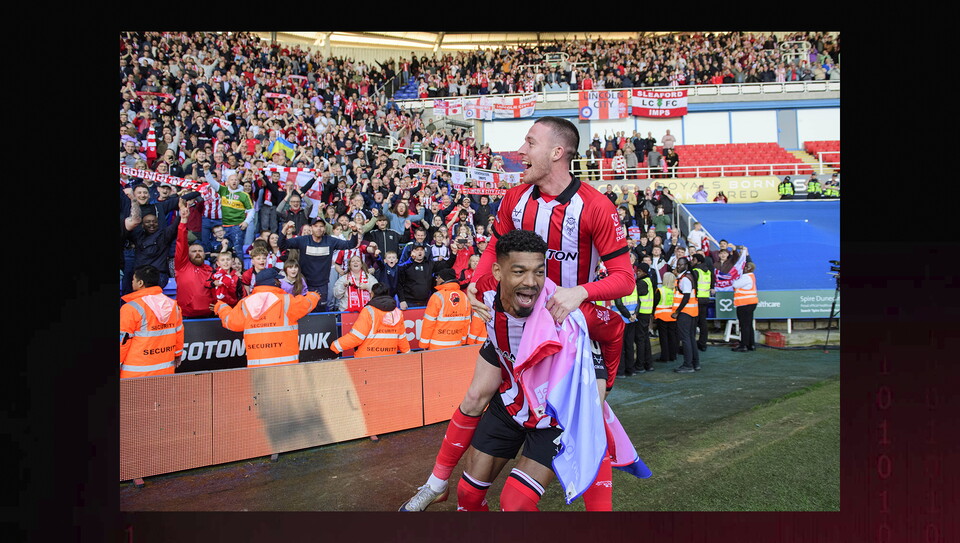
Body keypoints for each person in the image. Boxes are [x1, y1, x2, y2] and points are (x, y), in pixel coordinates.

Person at [400, 119, 634, 512]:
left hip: (565, 341)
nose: (519, 152)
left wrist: (580, 292)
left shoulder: (595, 206)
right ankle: (437, 482)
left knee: (591, 416)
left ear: (557, 153)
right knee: (475, 394)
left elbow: (625, 278)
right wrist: (477, 280)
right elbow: (494, 246)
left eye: (529, 143)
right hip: (512, 327)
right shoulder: (516, 199)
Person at [435, 230, 627, 512]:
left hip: (553, 418)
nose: (531, 282)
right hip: (510, 405)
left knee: (515, 504)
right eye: (519, 271)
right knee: (467, 495)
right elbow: (477, 286)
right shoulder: (483, 293)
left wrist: (606, 383)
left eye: (539, 272)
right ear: (499, 272)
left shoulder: (566, 309)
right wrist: (470, 289)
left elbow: (615, 327)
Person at [213, 267, 321, 367]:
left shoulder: (245, 303)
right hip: (286, 366)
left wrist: (221, 307)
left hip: (257, 368)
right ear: (274, 282)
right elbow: (305, 304)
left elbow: (231, 322)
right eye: (278, 280)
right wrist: (314, 296)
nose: (280, 282)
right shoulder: (285, 301)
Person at [279, 217, 360, 308]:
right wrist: (285, 228)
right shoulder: (303, 240)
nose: (319, 228)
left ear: (324, 228)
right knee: (305, 311)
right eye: (316, 226)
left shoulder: (330, 241)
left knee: (321, 312)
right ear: (311, 228)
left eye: (321, 226)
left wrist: (354, 231)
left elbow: (350, 244)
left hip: (322, 285)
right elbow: (282, 244)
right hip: (304, 284)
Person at [119, 265, 184, 379]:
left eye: (133, 279)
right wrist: (178, 354)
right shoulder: (173, 305)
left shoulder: (130, 308)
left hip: (134, 374)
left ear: (140, 283)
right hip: (165, 371)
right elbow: (179, 333)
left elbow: (122, 342)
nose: (132, 282)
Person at [330, 283, 411, 358]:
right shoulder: (397, 312)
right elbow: (402, 338)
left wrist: (335, 346)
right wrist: (408, 354)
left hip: (366, 358)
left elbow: (356, 337)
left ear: (372, 294)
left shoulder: (369, 310)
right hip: (389, 358)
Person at [174, 199, 216, 318]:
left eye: (200, 251)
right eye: (194, 251)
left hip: (209, 317)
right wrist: (183, 221)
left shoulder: (210, 270)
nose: (197, 253)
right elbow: (181, 242)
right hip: (186, 316)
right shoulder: (182, 266)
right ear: (188, 254)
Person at [419, 268, 473, 350]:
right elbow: (466, 322)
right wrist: (463, 340)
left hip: (436, 345)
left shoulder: (437, 296)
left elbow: (428, 323)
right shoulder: (464, 296)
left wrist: (424, 344)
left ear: (442, 279)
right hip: (456, 344)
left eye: (438, 277)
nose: (436, 279)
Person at [671, 257, 701, 373]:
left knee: (686, 339)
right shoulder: (688, 277)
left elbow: (686, 297)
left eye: (681, 265)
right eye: (678, 265)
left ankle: (688, 365)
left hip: (685, 313)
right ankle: (695, 363)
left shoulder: (684, 279)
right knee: (690, 339)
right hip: (692, 312)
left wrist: (677, 312)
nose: (678, 266)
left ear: (686, 265)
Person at [731, 256, 758, 352]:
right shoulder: (751, 276)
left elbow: (734, 284)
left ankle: (744, 345)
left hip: (744, 304)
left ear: (748, 268)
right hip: (750, 303)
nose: (743, 268)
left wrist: (735, 276)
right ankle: (751, 344)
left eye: (745, 267)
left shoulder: (746, 277)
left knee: (744, 325)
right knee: (748, 325)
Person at [690, 253, 713, 352]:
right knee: (703, 322)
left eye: (693, 260)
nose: (692, 261)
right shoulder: (707, 271)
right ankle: (703, 343)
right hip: (705, 298)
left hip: (697, 299)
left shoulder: (695, 271)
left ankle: (693, 344)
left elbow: (693, 285)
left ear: (698, 261)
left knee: (694, 322)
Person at [654, 272, 678, 363]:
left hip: (661, 315)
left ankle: (665, 356)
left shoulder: (660, 290)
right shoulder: (675, 290)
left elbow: (655, 303)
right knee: (672, 336)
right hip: (672, 315)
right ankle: (673, 355)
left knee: (663, 337)